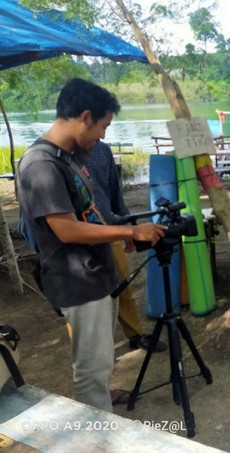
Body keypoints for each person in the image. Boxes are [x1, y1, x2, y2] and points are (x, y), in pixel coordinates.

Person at [17, 78, 166, 412]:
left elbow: (90, 214)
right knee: (89, 369)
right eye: (103, 126)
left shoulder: (67, 158)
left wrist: (122, 227)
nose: (103, 136)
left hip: (97, 277)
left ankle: (102, 401)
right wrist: (130, 234)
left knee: (99, 359)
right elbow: (67, 230)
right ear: (85, 116)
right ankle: (99, 436)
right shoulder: (42, 165)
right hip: (78, 283)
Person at [86, 141, 167, 353]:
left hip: (110, 229)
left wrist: (128, 225)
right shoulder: (61, 155)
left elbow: (114, 192)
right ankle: (93, 350)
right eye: (102, 125)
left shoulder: (102, 150)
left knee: (122, 285)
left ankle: (135, 334)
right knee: (87, 301)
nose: (102, 133)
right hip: (80, 241)